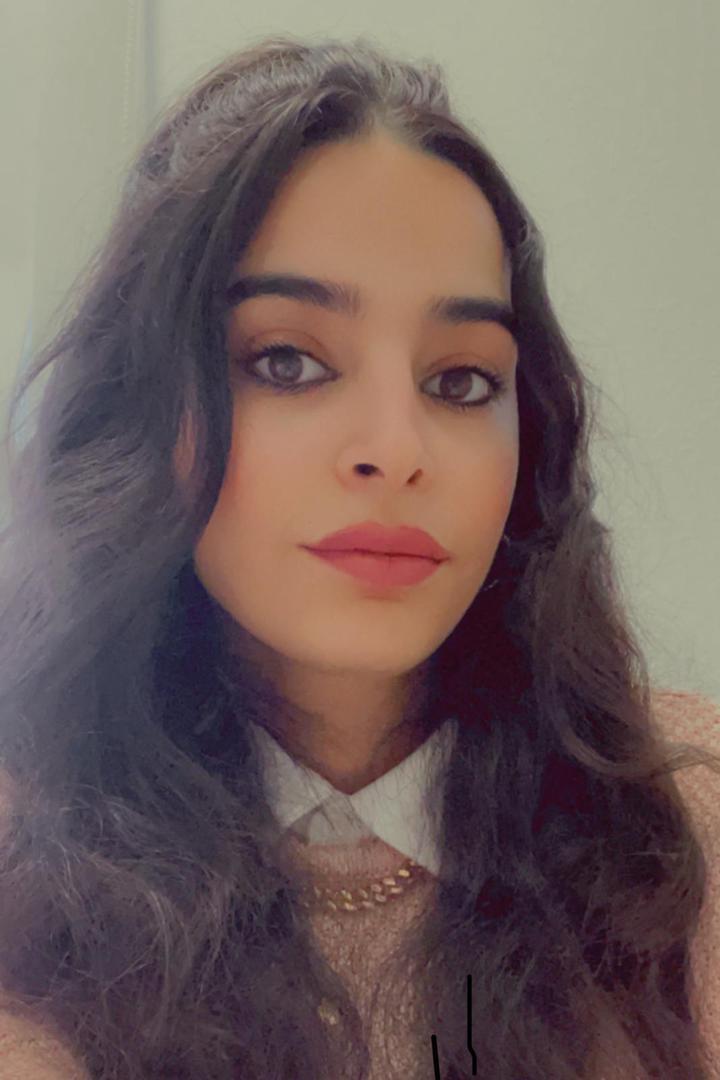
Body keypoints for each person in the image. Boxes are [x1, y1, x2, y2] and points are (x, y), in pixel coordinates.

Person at [0, 33, 718, 1080]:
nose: (395, 447)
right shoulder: (26, 852)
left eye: (462, 381)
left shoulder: (681, 827)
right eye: (287, 361)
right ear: (143, 410)